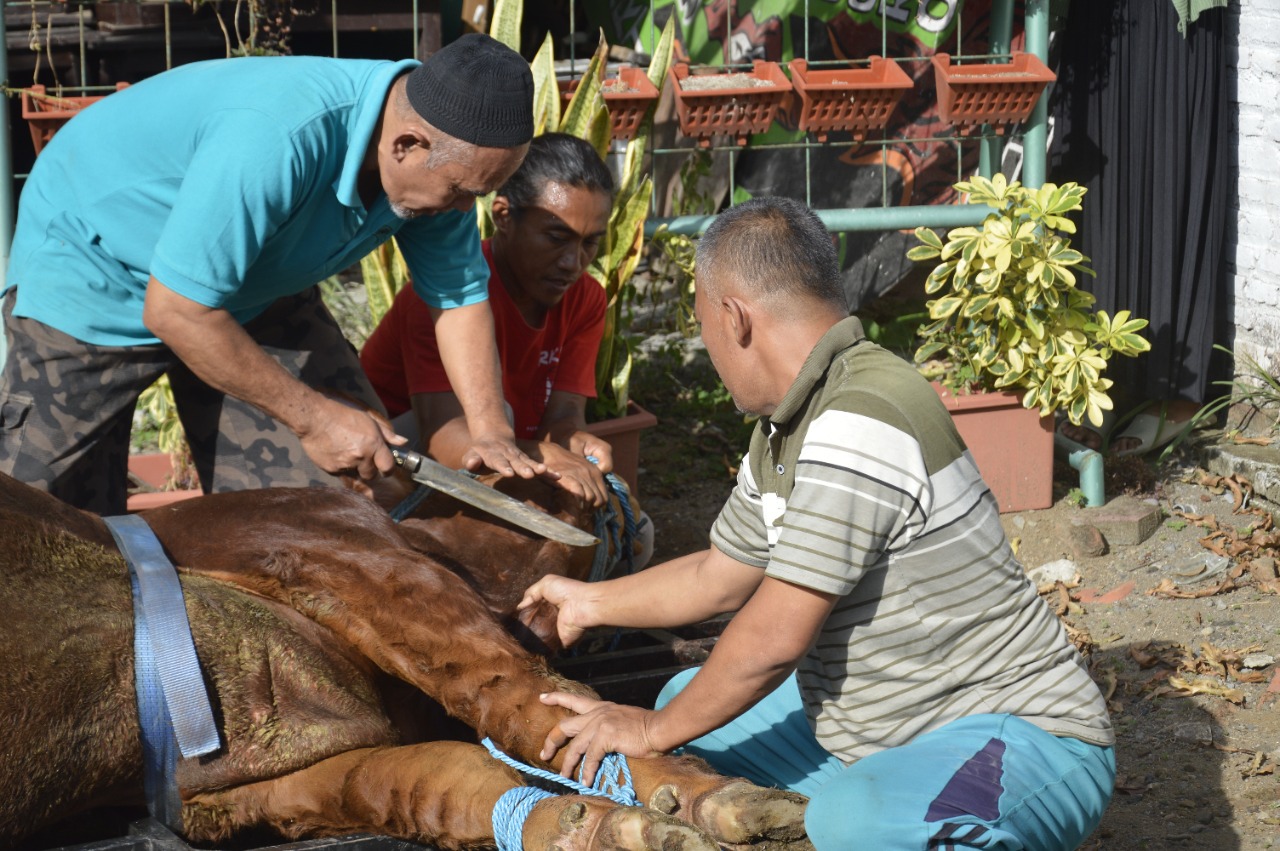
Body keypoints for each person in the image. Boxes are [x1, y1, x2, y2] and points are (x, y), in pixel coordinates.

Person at [518, 197, 1116, 850]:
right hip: (876, 730)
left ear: (735, 318)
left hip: (1014, 733)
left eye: (702, 326)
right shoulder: (787, 424)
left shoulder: (861, 417)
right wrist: (586, 602)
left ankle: (887, 820)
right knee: (690, 697)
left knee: (840, 814)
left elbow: (774, 635)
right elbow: (718, 575)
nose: (709, 346)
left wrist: (651, 730)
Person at [0, 33, 548, 516]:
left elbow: (458, 298)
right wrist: (315, 420)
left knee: (351, 500)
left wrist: (491, 429)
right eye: (459, 193)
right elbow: (176, 310)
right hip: (96, 273)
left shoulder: (440, 165)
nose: (461, 213)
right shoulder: (276, 138)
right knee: (43, 529)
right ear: (405, 144)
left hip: (253, 292)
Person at [360, 132, 617, 507]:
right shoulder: (441, 294)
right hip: (393, 455)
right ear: (503, 216)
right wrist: (541, 455)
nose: (572, 262)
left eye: (589, 242)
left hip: (501, 450)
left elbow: (564, 413)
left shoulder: (586, 297)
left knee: (639, 537)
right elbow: (441, 439)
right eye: (556, 237)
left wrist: (574, 440)